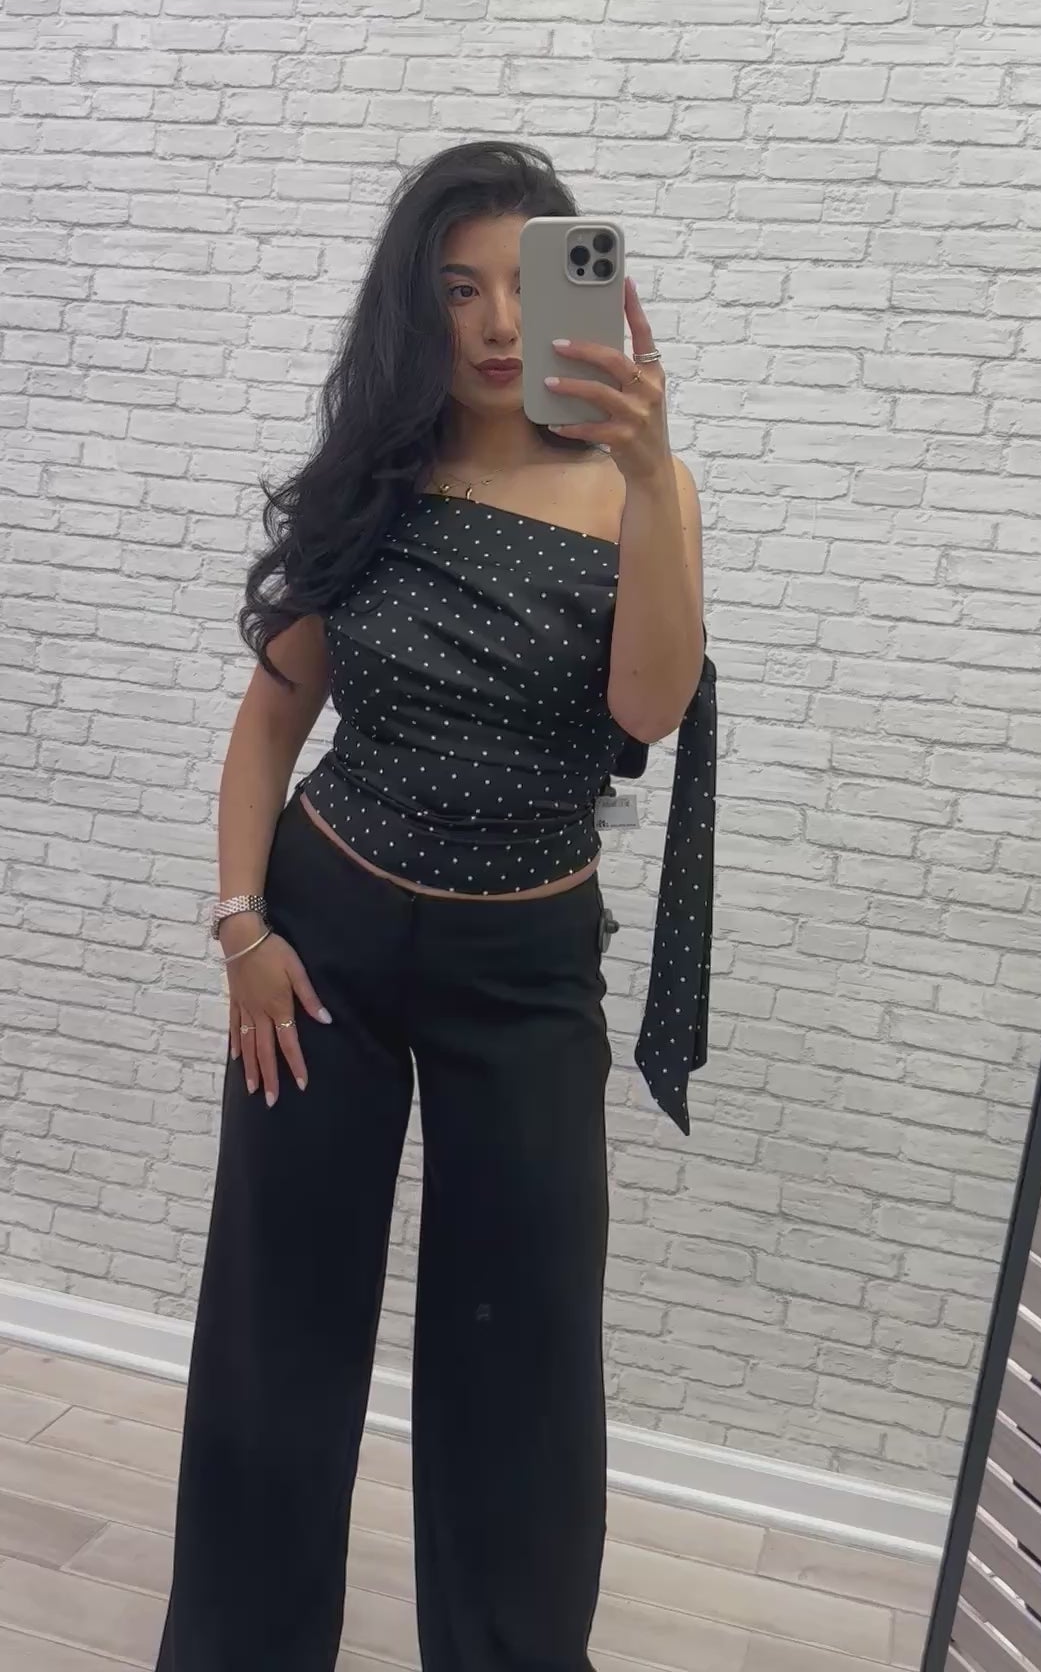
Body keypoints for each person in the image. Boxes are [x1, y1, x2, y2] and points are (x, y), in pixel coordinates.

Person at [153, 139, 717, 1672]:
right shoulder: (378, 482)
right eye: (457, 289)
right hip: (321, 940)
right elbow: (272, 721)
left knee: (523, 1359)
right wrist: (242, 928)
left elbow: (651, 710)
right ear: (416, 307)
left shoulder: (639, 491)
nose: (494, 323)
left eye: (521, 285)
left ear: (581, 296)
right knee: (278, 1330)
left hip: (526, 971)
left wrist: (653, 473)